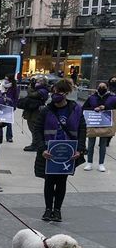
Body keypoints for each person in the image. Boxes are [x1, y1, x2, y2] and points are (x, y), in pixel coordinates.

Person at [33, 79, 86, 222]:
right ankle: (48, 209)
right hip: (49, 153)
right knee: (49, 182)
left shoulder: (75, 109)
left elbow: (82, 130)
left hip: (68, 154)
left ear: (67, 93)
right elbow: (37, 130)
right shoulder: (46, 110)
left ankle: (57, 210)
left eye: (60, 92)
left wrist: (80, 150)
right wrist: (42, 148)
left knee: (62, 182)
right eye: (54, 92)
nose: (56, 94)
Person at [82, 82, 116, 172]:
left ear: (107, 88)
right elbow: (84, 108)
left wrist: (105, 107)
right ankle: (89, 162)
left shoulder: (113, 98)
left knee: (103, 145)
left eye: (103, 87)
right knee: (90, 144)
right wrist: (94, 109)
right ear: (97, 88)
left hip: (105, 123)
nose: (102, 88)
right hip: (93, 123)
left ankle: (101, 164)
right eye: (100, 87)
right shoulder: (92, 97)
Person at [21, 78, 49, 151]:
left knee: (34, 129)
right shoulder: (37, 89)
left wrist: (30, 88)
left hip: (36, 113)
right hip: (31, 112)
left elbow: (32, 95)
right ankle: (35, 143)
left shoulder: (43, 90)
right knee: (32, 128)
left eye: (40, 82)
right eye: (37, 81)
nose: (37, 83)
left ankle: (36, 144)